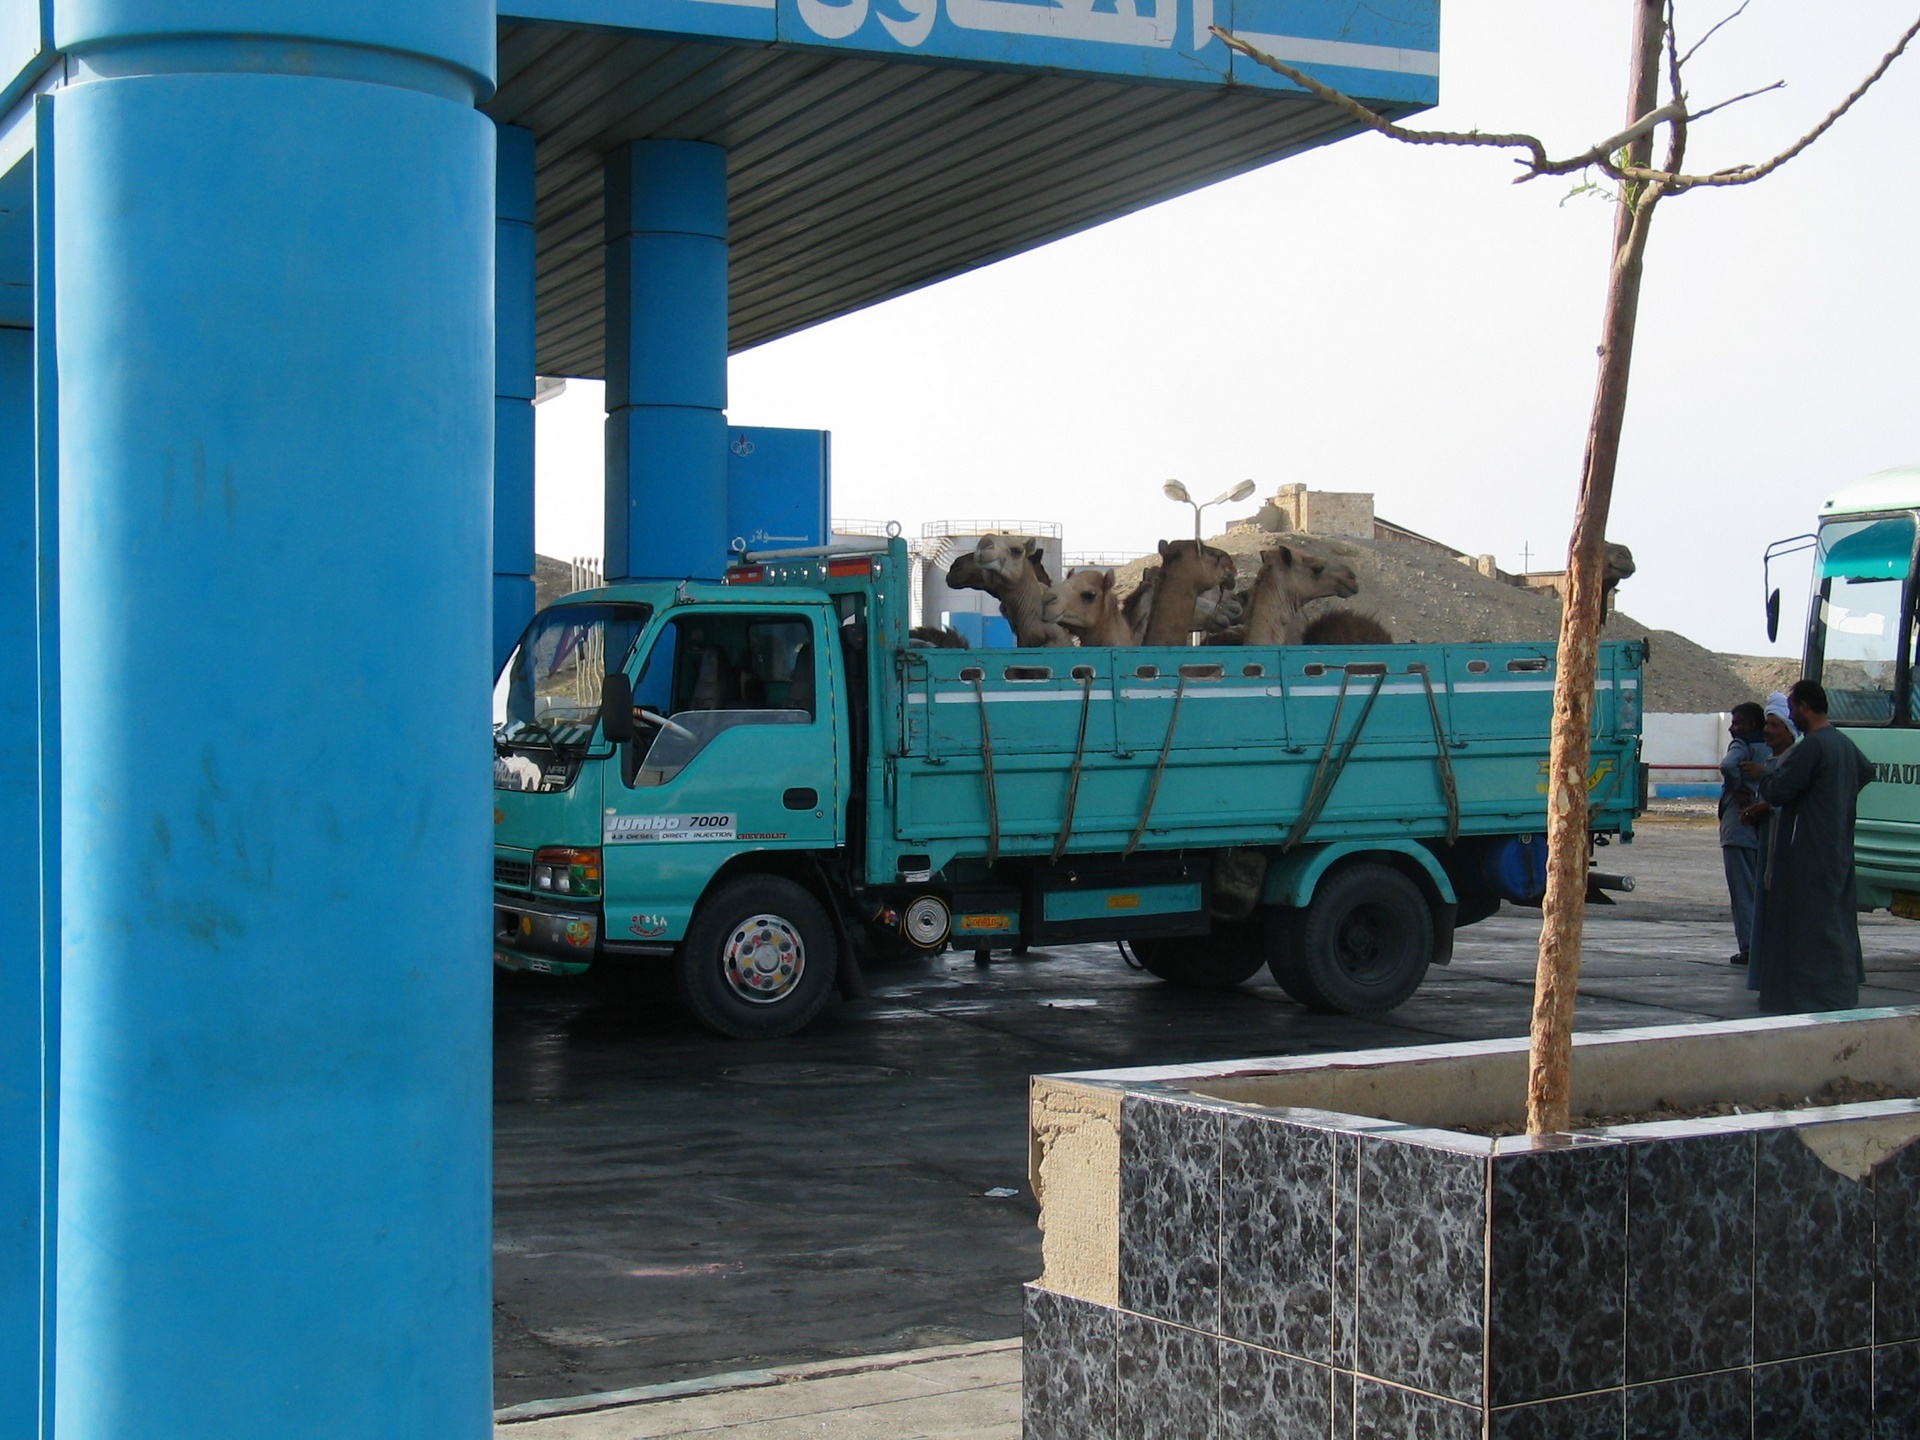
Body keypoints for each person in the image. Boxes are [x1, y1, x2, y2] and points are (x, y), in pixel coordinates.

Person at [1744, 680, 1874, 1013]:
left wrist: (1764, 774)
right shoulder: (1842, 744)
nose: (1790, 716)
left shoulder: (1812, 747)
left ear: (1804, 707)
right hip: (1837, 848)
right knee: (1835, 921)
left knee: (1804, 926)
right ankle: (1838, 992)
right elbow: (1865, 771)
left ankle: (1805, 997)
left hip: (1807, 850)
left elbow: (1780, 789)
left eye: (1791, 709)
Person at [1739, 693, 1799, 990]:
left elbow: (1793, 799)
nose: (1768, 731)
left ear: (1790, 731)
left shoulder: (1792, 763)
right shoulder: (1775, 761)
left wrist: (1766, 804)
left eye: (1775, 725)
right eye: (1767, 724)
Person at [1717, 702, 1771, 966]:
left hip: (1739, 826)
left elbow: (1728, 765)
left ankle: (1749, 946)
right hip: (1764, 828)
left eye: (1737, 722)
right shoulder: (1771, 748)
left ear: (1751, 724)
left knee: (1743, 892)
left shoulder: (1742, 745)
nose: (1732, 728)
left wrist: (1736, 786)